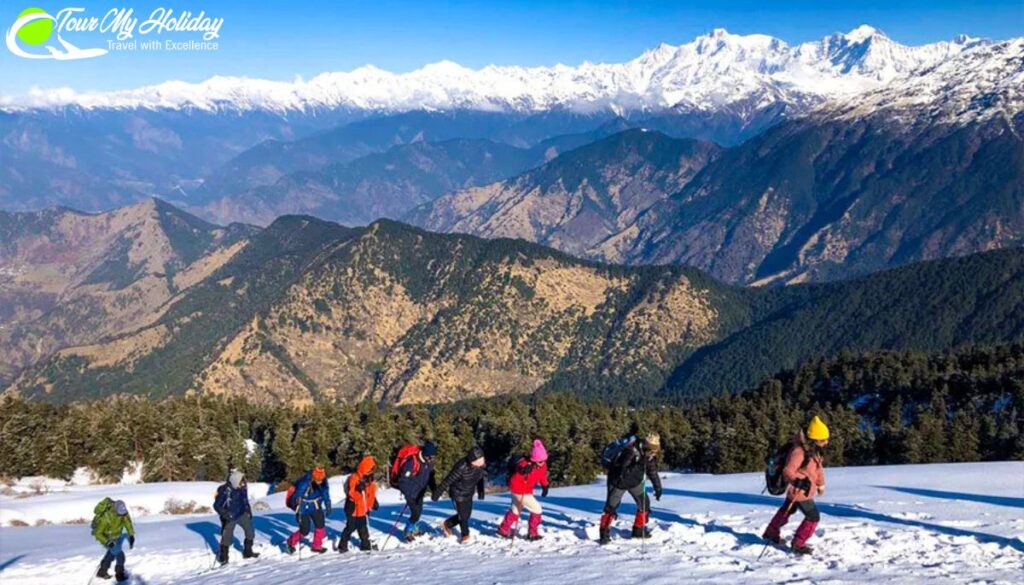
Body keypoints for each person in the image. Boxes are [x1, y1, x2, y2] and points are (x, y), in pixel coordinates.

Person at [762, 416, 829, 555]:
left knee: (787, 510)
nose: (826, 442)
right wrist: (798, 481)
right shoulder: (799, 452)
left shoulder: (815, 451)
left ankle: (770, 533)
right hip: (800, 492)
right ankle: (798, 543)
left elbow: (818, 469)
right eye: (823, 440)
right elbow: (788, 471)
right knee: (813, 516)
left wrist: (820, 484)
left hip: (802, 490)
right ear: (814, 439)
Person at [598, 432, 662, 545]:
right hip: (618, 482)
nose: (654, 453)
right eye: (653, 450)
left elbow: (652, 471)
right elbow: (623, 471)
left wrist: (658, 487)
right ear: (647, 446)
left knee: (644, 504)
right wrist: (640, 464)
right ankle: (604, 533)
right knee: (610, 508)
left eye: (656, 450)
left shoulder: (649, 455)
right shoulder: (631, 451)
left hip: (635, 483)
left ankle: (638, 530)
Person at [497, 439, 550, 541]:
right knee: (537, 509)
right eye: (540, 461)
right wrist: (522, 471)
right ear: (534, 460)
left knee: (515, 510)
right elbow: (518, 468)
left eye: (544, 460)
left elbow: (542, 475)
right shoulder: (525, 464)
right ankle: (532, 533)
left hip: (524, 491)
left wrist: (545, 485)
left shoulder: (543, 466)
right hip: (519, 490)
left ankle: (503, 529)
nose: (542, 463)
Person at [432, 445, 487, 543]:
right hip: (458, 494)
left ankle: (447, 524)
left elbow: (480, 478)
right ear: (473, 461)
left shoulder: (480, 466)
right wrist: (437, 492)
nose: (481, 463)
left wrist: (481, 491)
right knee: (463, 516)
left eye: (482, 460)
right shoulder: (461, 466)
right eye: (479, 462)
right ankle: (465, 535)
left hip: (469, 493)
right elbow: (448, 480)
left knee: (467, 514)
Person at [213, 468, 259, 564]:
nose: (243, 482)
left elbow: (245, 500)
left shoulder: (242, 488)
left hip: (242, 513)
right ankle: (224, 557)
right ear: (235, 480)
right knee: (227, 537)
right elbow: (217, 505)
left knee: (250, 532)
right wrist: (226, 514)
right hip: (230, 516)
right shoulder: (225, 490)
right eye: (242, 479)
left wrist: (248, 511)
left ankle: (248, 552)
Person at [395, 441, 438, 541]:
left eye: (433, 457)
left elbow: (431, 478)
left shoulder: (429, 463)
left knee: (418, 513)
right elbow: (403, 481)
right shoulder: (412, 462)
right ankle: (408, 531)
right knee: (416, 513)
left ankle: (413, 528)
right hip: (411, 494)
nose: (431, 459)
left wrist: (434, 489)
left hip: (420, 492)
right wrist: (409, 495)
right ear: (424, 454)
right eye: (429, 457)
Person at [338, 455, 380, 552]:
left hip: (364, 510)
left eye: (372, 470)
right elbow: (351, 494)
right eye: (369, 470)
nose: (371, 472)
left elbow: (371, 494)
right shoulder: (354, 478)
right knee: (350, 527)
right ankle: (342, 545)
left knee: (363, 528)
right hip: (353, 509)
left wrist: (373, 502)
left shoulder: (370, 480)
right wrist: (358, 489)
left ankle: (365, 545)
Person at [287, 466, 332, 554]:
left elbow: (325, 493)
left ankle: (317, 545)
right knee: (305, 530)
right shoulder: (304, 483)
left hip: (315, 505)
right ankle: (291, 542)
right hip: (303, 507)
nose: (319, 482)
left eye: (321, 480)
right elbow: (297, 495)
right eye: (317, 480)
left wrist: (328, 504)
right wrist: (297, 507)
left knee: (320, 525)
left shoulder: (323, 482)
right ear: (313, 478)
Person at [91, 498, 135, 582]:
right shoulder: (106, 518)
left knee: (111, 554)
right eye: (120, 514)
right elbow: (97, 533)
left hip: (116, 535)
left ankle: (102, 572)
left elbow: (127, 522)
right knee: (120, 555)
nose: (122, 515)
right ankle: (119, 575)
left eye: (124, 513)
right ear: (115, 510)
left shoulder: (122, 511)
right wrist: (107, 542)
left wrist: (131, 534)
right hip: (106, 537)